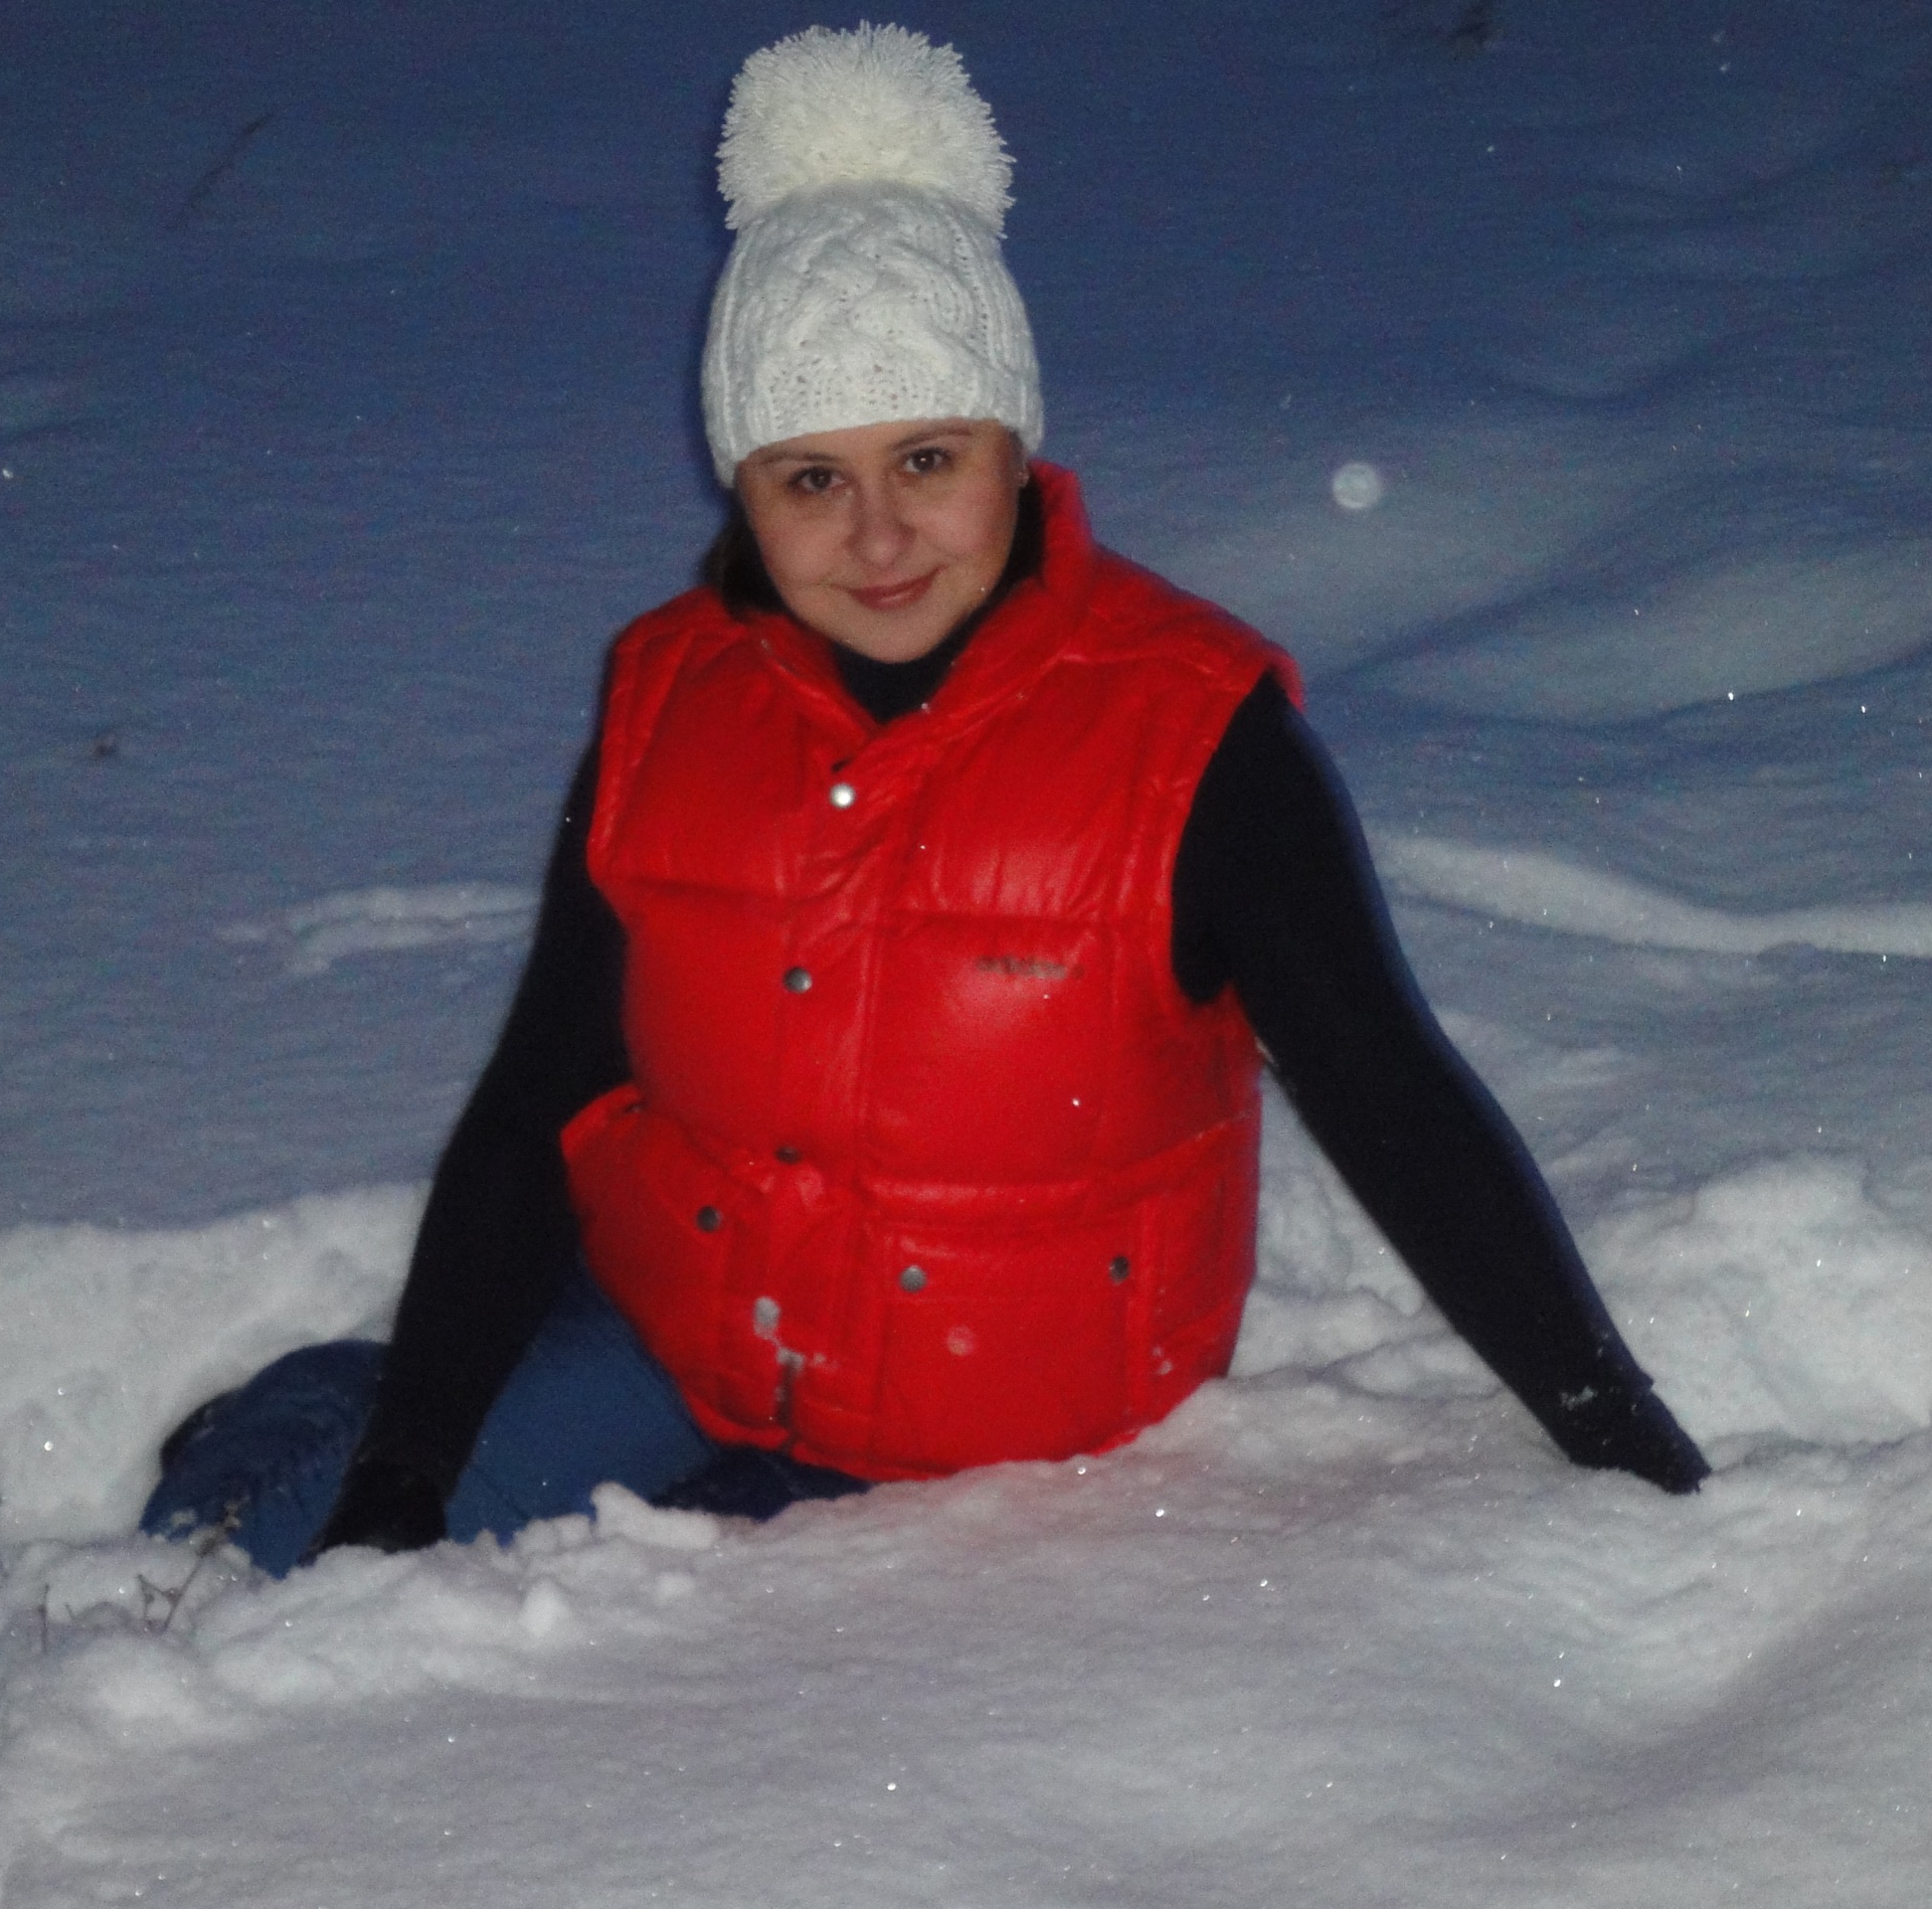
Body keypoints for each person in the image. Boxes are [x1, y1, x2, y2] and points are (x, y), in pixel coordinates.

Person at [144, 24, 1706, 1578]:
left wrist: (1620, 1433)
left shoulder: (1192, 735)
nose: (879, 538)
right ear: (742, 487)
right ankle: (329, 1417)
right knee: (260, 1564)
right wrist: (410, 1462)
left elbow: (1395, 1104)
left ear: (1015, 449)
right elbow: (538, 1100)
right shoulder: (668, 699)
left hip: (1001, 1474)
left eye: (929, 458)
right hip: (678, 1346)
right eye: (812, 478)